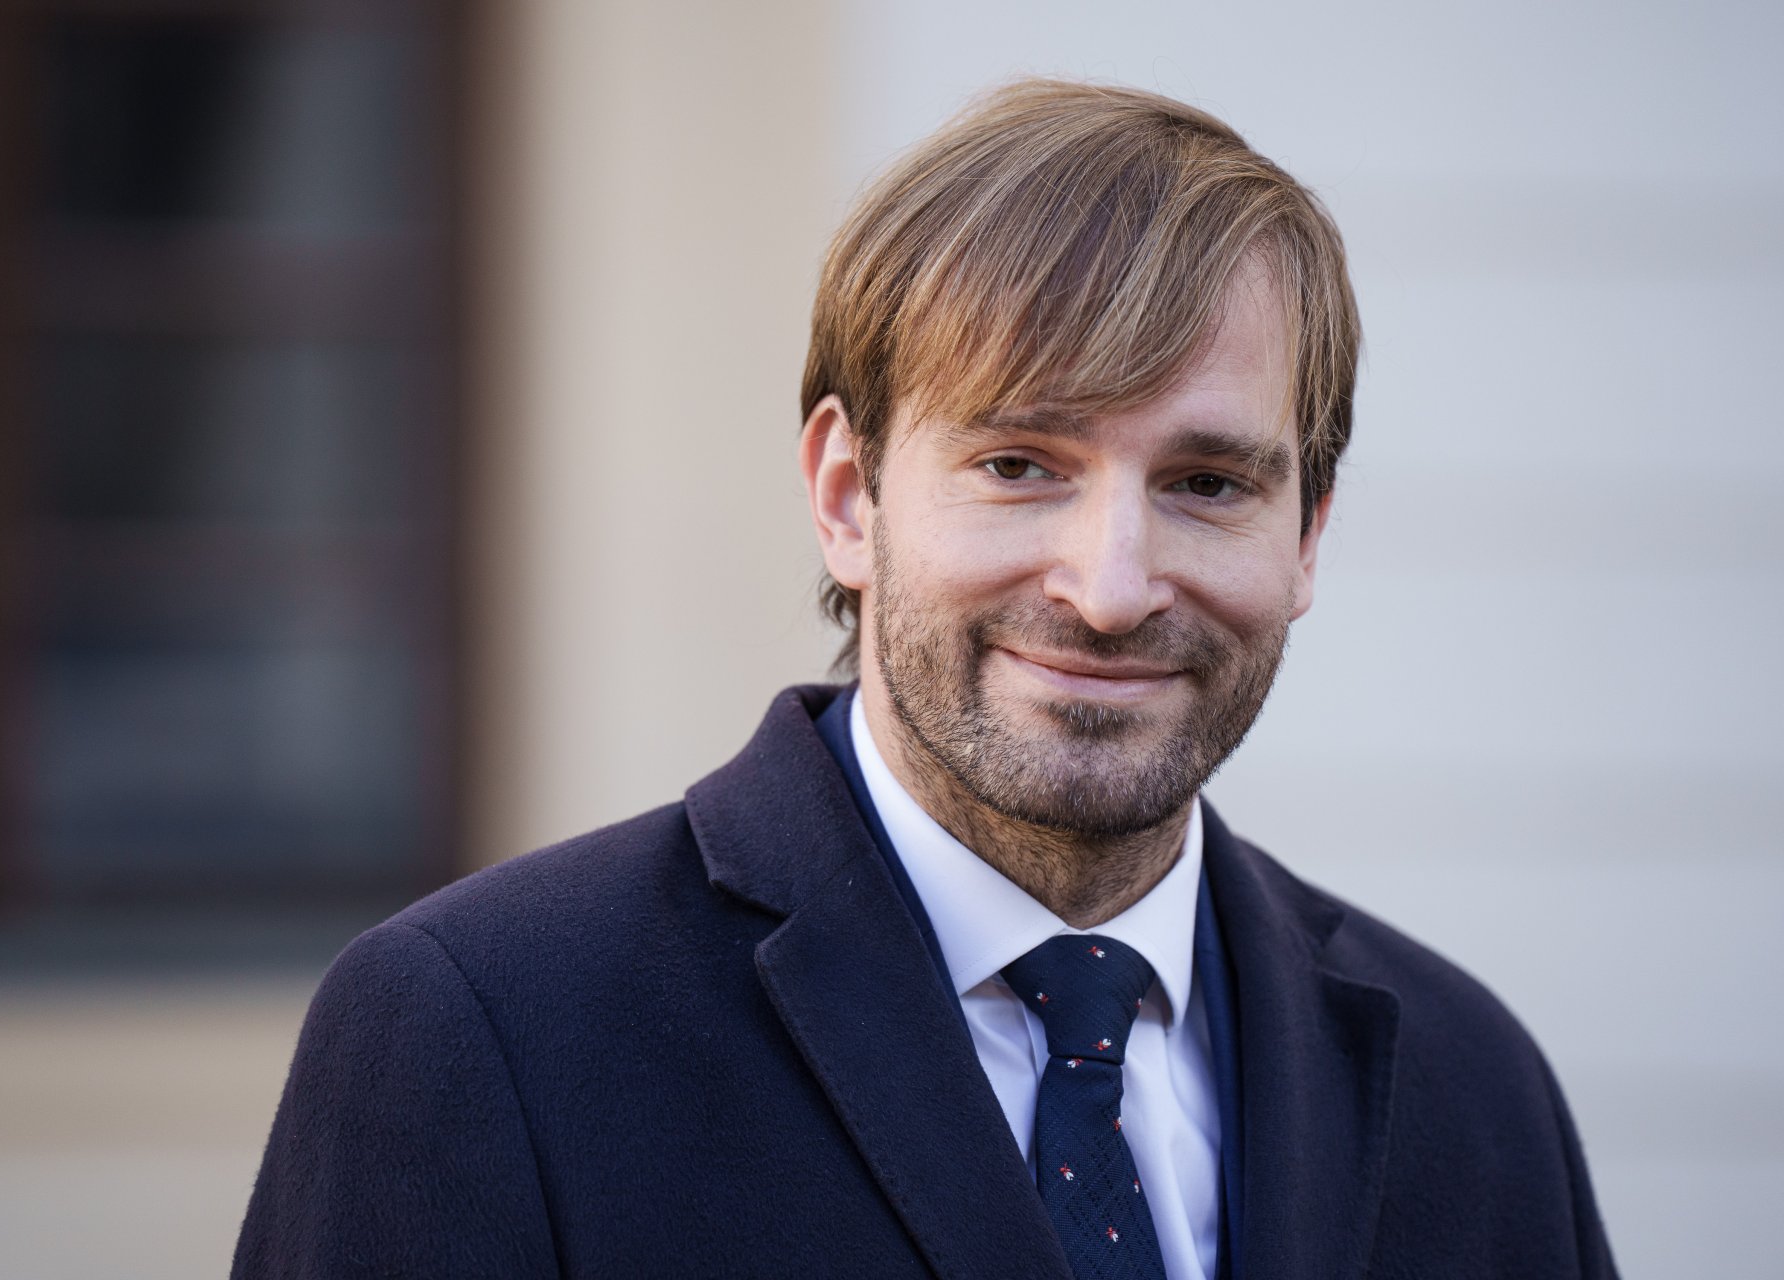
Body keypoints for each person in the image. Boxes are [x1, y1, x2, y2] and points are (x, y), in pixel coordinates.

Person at [235, 80, 1616, 1279]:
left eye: (1207, 484)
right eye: (1019, 465)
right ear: (849, 495)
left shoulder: (1471, 1091)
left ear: (1306, 538)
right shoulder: (483, 1038)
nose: (1111, 588)